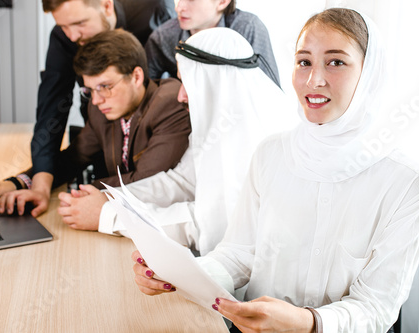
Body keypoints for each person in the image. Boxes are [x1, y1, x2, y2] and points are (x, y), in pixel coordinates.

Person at [132, 8, 419, 333]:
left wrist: (308, 323)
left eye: (336, 62)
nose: (313, 80)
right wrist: (181, 274)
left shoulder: (407, 183)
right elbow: (238, 255)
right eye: (304, 61)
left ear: (370, 73)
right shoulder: (270, 154)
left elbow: (375, 308)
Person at [57, 28, 297, 249]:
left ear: (214, 83)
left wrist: (110, 216)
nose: (180, 96)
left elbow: (207, 226)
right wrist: (113, 197)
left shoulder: (254, 137)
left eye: (187, 83)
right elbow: (180, 182)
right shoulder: (218, 122)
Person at [0, 29, 190, 219]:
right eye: (90, 90)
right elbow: (72, 159)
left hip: (160, 225)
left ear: (137, 77)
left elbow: (145, 181)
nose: (96, 100)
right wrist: (20, 183)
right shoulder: (103, 109)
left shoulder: (169, 103)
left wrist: (80, 195)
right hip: (121, 219)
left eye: (105, 86)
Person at [31, 0, 175, 205]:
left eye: (80, 23)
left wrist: (90, 194)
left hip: (160, 139)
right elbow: (52, 107)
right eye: (63, 26)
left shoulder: (155, 10)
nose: (72, 36)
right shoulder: (98, 110)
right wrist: (35, 184)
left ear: (107, 6)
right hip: (107, 142)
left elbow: (149, 182)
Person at [145, 0, 281, 88]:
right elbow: (144, 94)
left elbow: (272, 92)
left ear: (222, 2)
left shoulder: (248, 28)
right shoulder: (163, 37)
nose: (178, 7)